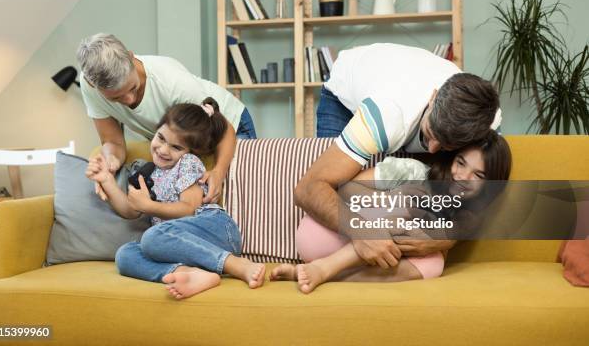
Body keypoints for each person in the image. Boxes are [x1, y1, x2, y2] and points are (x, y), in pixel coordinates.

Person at [296, 43, 502, 267]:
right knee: (334, 201)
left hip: (404, 93)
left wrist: (444, 239)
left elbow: (481, 198)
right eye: (430, 134)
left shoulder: (487, 122)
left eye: (446, 146)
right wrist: (363, 233)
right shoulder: (386, 115)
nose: (431, 150)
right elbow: (308, 189)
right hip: (346, 95)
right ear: (433, 99)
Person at [272, 131, 512, 293]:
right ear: (451, 159)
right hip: (325, 230)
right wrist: (392, 201)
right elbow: (345, 191)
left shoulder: (463, 217)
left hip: (341, 261)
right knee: (410, 208)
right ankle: (323, 269)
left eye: (479, 175)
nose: (463, 177)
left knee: (433, 265)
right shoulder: (414, 172)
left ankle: (317, 273)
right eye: (461, 163)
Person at [85, 98, 265, 299]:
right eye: (160, 138)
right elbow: (130, 209)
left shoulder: (188, 164)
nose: (163, 150)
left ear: (190, 151)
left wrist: (150, 206)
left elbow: (189, 208)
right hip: (183, 248)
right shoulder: (148, 172)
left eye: (176, 147)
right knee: (125, 255)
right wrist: (107, 180)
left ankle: (236, 264)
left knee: (152, 236)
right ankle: (190, 274)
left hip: (216, 230)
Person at [77, 33, 256, 205]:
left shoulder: (172, 82)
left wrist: (218, 171)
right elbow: (112, 141)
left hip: (227, 127)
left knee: (242, 200)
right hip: (185, 146)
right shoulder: (89, 86)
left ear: (131, 58)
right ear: (93, 85)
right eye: (116, 98)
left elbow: (225, 129)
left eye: (133, 88)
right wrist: (110, 163)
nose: (129, 101)